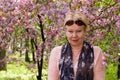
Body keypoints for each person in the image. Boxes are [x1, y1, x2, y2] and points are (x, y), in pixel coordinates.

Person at [48, 10, 105, 80]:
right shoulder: (56, 52)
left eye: (78, 31)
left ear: (84, 31)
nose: (74, 35)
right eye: (70, 31)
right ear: (65, 32)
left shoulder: (96, 52)